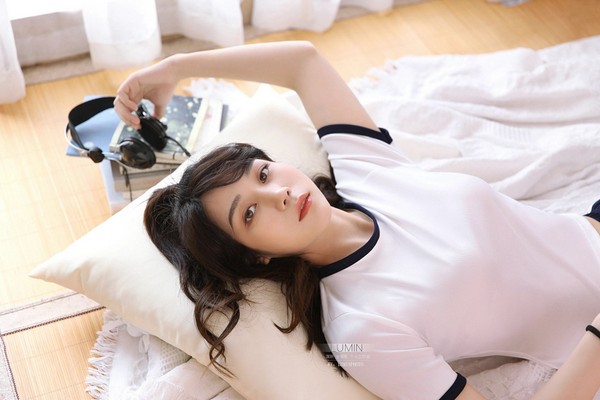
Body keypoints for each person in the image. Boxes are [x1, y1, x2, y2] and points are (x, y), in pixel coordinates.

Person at [114, 41, 600, 399]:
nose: (279, 193)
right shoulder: (360, 327)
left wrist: (176, 66)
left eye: (262, 173)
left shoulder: (364, 167)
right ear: (255, 255)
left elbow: (302, 62)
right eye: (250, 212)